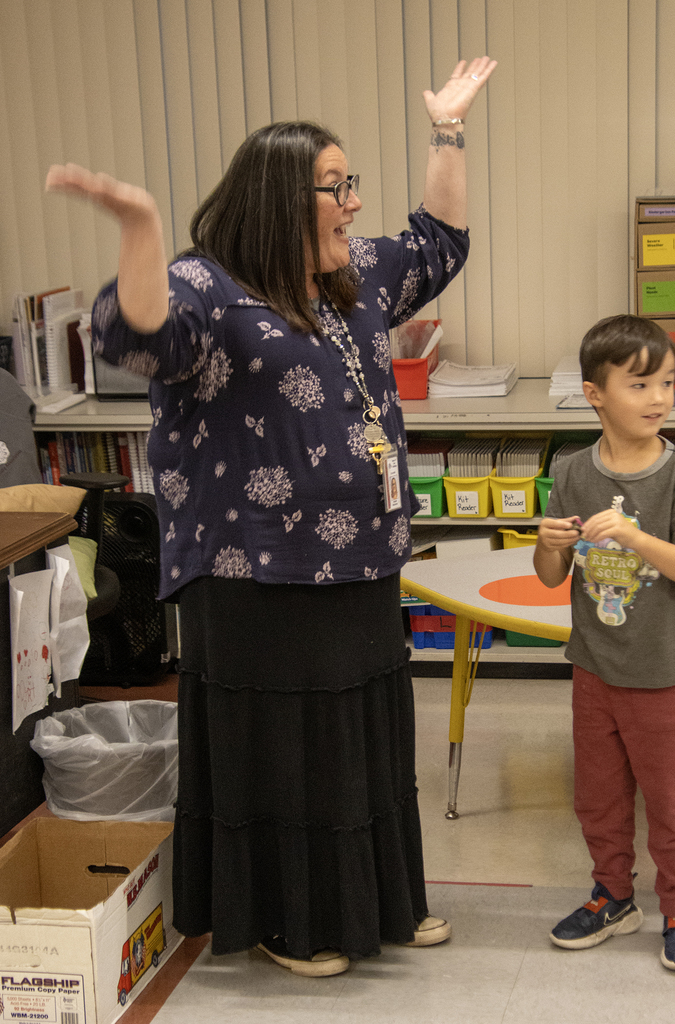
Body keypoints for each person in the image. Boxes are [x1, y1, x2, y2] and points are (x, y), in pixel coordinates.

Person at [46, 56, 496, 977]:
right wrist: (140, 228)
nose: (354, 205)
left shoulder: (354, 280)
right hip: (256, 577)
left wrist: (446, 131)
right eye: (335, 188)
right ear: (280, 199)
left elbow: (439, 241)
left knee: (364, 737)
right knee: (290, 754)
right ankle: (292, 924)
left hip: (361, 562)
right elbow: (139, 335)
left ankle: (383, 904)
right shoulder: (209, 288)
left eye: (352, 183)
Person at [533, 314, 675, 973]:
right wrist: (547, 546)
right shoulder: (573, 470)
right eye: (640, 384)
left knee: (673, 800)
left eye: (667, 382)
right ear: (594, 395)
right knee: (598, 795)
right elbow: (555, 577)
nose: (659, 398)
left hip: (663, 671)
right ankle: (612, 895)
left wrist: (637, 538)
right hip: (594, 669)